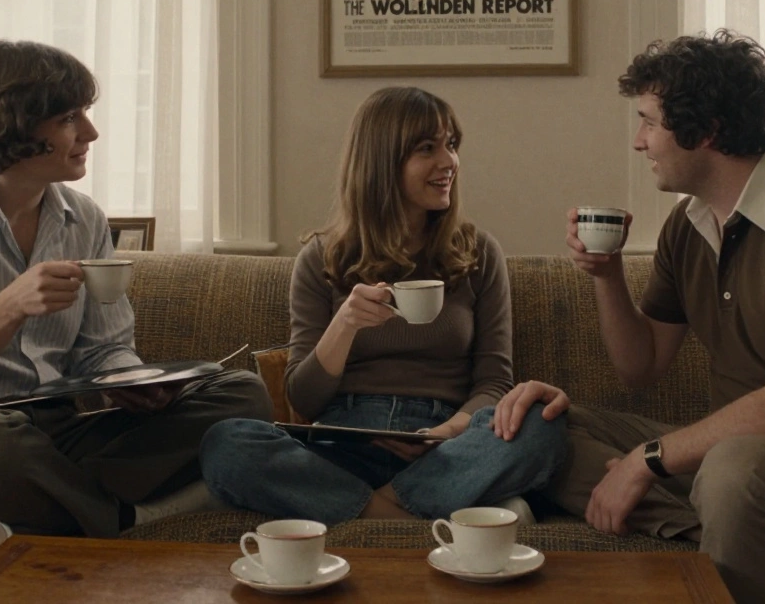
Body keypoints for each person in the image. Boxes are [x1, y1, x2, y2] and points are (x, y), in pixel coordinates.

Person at [492, 31, 765, 603]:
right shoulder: (688, 225)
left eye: (649, 123)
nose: (639, 142)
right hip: (734, 461)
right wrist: (607, 276)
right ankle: (738, 529)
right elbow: (640, 368)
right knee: (547, 427)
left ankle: (730, 517)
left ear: (705, 130)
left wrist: (647, 461)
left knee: (737, 471)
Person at [0, 40, 272, 560]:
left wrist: (133, 383)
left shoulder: (83, 219)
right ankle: (130, 521)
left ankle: (42, 511)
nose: (90, 133)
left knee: (242, 394)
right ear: (16, 125)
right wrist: (7, 308)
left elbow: (103, 348)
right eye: (69, 118)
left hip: (61, 431)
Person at [198, 86, 568, 524]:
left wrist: (448, 431)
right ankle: (409, 519)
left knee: (544, 427)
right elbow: (305, 398)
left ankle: (360, 511)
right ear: (381, 161)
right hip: (343, 446)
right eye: (427, 148)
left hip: (446, 447)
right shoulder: (322, 257)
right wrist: (345, 325)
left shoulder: (479, 252)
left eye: (451, 145)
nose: (448, 162)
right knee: (227, 443)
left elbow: (494, 381)